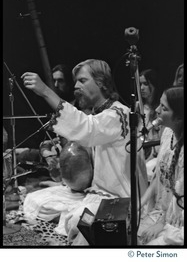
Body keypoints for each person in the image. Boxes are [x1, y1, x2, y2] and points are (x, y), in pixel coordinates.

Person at [21, 59, 148, 245]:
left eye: (82, 80)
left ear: (101, 83)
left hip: (120, 199)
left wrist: (45, 91)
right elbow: (86, 136)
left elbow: (87, 129)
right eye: (75, 82)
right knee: (36, 201)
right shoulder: (100, 115)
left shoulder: (119, 115)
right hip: (95, 193)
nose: (76, 86)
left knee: (79, 224)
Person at [138, 86, 184, 245]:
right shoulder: (167, 133)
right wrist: (139, 205)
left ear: (178, 117)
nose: (157, 110)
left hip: (177, 221)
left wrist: (161, 223)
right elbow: (159, 177)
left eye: (163, 108)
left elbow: (179, 198)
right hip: (160, 211)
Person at [137, 69, 164, 181]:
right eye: (140, 84)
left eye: (146, 84)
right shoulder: (138, 107)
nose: (142, 88)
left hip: (156, 156)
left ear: (154, 85)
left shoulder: (161, 108)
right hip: (141, 152)